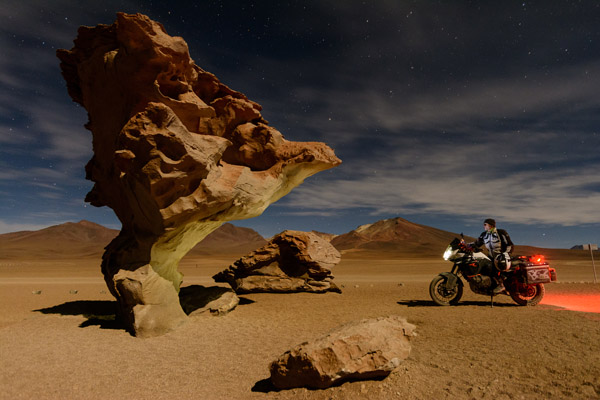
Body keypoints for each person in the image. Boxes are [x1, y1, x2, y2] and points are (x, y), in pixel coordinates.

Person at [470, 218, 514, 294]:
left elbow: (509, 245)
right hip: (491, 257)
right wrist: (466, 245)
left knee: (496, 266)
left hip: (501, 256)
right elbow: (477, 243)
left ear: (490, 225)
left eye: (485, 224)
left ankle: (501, 285)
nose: (484, 226)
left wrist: (505, 254)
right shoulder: (484, 234)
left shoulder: (501, 233)